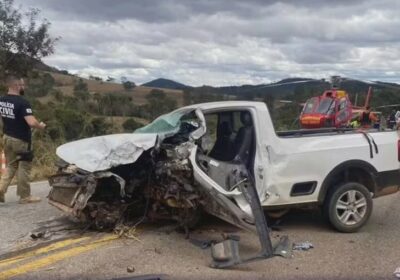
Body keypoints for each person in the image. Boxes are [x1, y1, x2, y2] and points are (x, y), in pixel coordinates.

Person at [0, 75, 46, 203]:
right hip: (21, 140)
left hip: (7, 137)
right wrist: (40, 126)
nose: (23, 87)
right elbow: (31, 122)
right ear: (16, 86)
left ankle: (1, 189)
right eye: (22, 85)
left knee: (11, 165)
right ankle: (25, 196)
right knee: (24, 166)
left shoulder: (2, 100)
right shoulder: (22, 102)